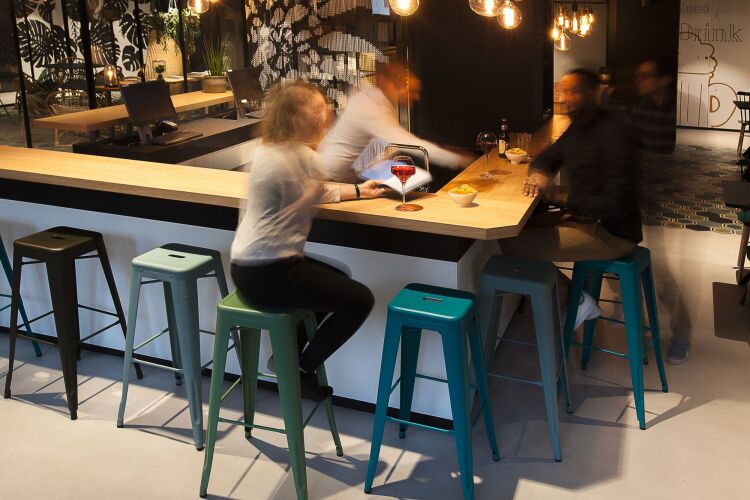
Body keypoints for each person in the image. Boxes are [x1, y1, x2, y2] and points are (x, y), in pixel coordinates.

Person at [230, 82, 385, 401]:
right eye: (317, 109)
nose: (324, 115)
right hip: (269, 273)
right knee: (361, 300)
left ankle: (286, 354)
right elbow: (325, 174)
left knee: (338, 277)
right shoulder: (295, 157)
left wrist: (359, 190)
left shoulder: (271, 149)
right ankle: (299, 368)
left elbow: (316, 187)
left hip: (251, 267)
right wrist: (377, 155)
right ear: (295, 115)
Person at [501, 68, 641, 328]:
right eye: (562, 91)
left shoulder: (613, 133)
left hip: (611, 232)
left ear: (591, 94)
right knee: (514, 230)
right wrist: (540, 176)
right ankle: (570, 297)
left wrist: (560, 196)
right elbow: (546, 158)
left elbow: (615, 203)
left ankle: (573, 300)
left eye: (573, 91)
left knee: (508, 245)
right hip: (584, 219)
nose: (564, 98)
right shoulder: (580, 128)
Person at [318, 60, 473, 182]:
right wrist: (461, 160)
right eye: (412, 91)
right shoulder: (370, 105)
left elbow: (382, 146)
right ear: (392, 85)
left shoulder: (377, 100)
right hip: (328, 179)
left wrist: (383, 165)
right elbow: (410, 144)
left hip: (343, 176)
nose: (417, 97)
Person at [631, 58, 689, 364]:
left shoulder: (676, 113)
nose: (639, 81)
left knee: (661, 271)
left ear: (664, 79)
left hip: (666, 202)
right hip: (638, 193)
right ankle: (639, 331)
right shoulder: (641, 108)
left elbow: (680, 161)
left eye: (646, 76)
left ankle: (681, 333)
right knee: (628, 261)